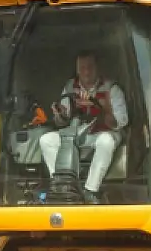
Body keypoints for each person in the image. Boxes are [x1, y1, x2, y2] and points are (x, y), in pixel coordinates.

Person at [39, 50, 128, 203]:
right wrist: (60, 114)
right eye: (82, 68)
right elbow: (62, 121)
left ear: (97, 68)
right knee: (46, 140)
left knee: (106, 141)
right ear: (77, 70)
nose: (86, 71)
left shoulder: (112, 89)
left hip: (102, 133)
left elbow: (121, 122)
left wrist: (105, 109)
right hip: (77, 133)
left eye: (90, 67)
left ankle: (90, 190)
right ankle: (62, 186)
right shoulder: (70, 87)